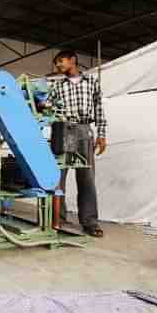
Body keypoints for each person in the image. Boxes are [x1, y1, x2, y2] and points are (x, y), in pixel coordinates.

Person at [48, 50, 107, 237]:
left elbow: (99, 108)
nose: (58, 65)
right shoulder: (57, 86)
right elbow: (48, 107)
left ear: (73, 60)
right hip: (62, 130)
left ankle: (90, 222)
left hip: (83, 131)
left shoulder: (91, 83)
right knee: (58, 178)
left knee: (87, 178)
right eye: (57, 63)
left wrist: (102, 134)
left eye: (61, 61)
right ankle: (58, 219)